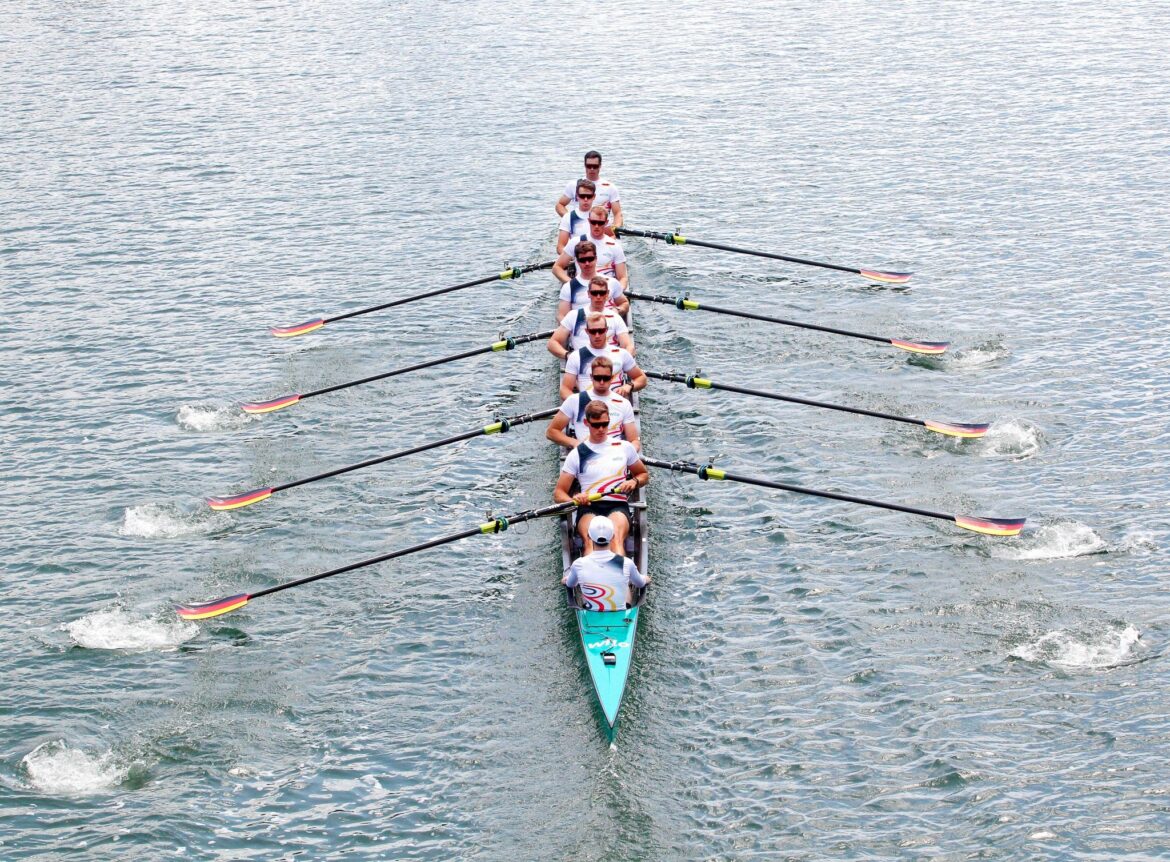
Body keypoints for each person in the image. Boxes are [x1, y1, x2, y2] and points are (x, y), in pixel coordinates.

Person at [554, 401, 649, 556]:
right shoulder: (577, 454)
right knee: (591, 540)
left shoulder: (624, 447)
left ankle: (620, 577)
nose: (601, 429)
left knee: (615, 538)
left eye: (605, 424)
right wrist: (575, 499)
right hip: (589, 506)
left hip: (617, 504)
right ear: (586, 423)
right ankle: (589, 578)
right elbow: (559, 494)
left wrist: (633, 482)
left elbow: (643, 475)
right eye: (596, 425)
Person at [546, 356, 640, 451]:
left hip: (614, 455)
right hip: (587, 453)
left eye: (606, 378)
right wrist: (574, 443)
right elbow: (551, 432)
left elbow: (634, 441)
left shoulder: (624, 403)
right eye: (598, 378)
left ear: (611, 378)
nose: (602, 382)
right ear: (591, 377)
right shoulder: (575, 400)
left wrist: (629, 453)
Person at [563, 516, 649, 611]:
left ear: (589, 536)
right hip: (620, 612)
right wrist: (646, 579)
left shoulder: (578, 564)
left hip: (591, 612)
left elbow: (570, 584)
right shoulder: (626, 563)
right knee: (626, 587)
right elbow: (641, 583)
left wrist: (565, 580)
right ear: (612, 536)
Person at [547, 276, 634, 359]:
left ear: (607, 294)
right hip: (582, 362)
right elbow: (552, 343)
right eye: (594, 293)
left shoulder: (615, 317)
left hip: (609, 364)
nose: (598, 297)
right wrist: (568, 356)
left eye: (602, 293)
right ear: (588, 294)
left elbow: (628, 346)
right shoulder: (574, 316)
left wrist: (623, 360)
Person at [560, 316, 645, 400]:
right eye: (593, 331)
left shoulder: (622, 354)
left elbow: (641, 378)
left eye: (601, 331)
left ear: (606, 330)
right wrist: (579, 404)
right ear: (587, 331)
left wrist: (629, 386)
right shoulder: (576, 356)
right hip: (589, 408)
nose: (597, 335)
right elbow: (565, 390)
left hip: (616, 406)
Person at [554, 206, 629, 292]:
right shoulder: (576, 242)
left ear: (606, 223)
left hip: (606, 290)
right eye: (593, 222)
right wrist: (573, 284)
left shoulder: (615, 246)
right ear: (589, 221)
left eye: (600, 223)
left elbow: (623, 278)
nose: (596, 226)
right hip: (583, 289)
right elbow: (556, 268)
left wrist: (617, 291)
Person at [555, 241, 627, 320]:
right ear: (577, 262)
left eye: (590, 259)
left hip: (608, 326)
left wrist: (618, 310)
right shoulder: (569, 287)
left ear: (596, 259)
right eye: (583, 260)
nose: (587, 263)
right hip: (582, 328)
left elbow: (624, 303)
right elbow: (562, 316)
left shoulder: (611, 282)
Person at [556, 151, 622, 230]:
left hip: (601, 226)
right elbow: (559, 205)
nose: (592, 169)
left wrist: (616, 227)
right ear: (585, 165)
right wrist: (570, 218)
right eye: (589, 166)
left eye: (595, 166)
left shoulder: (610, 187)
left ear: (600, 166)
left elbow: (618, 213)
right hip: (578, 226)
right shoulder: (574, 185)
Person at [556, 179, 597, 254]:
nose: (585, 199)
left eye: (589, 196)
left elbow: (611, 237)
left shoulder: (600, 214)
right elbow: (560, 246)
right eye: (582, 196)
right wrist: (570, 257)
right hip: (577, 257)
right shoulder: (568, 217)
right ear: (577, 196)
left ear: (594, 196)